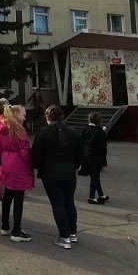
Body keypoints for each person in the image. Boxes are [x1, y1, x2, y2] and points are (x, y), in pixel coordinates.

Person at [31, 105, 83, 249]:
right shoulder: (74, 132)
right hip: (69, 172)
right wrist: (75, 165)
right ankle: (72, 233)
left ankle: (64, 237)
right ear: (62, 116)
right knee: (69, 202)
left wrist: (36, 166)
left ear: (47, 117)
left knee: (58, 204)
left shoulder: (43, 133)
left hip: (50, 173)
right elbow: (80, 154)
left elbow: (35, 155)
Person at [0, 105, 34, 242]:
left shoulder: (0, 128)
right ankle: (16, 231)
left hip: (6, 163)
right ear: (16, 114)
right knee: (18, 198)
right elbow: (24, 152)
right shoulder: (19, 130)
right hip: (19, 166)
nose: (24, 117)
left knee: (8, 196)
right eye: (23, 114)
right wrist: (30, 166)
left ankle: (5, 225)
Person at [81, 112, 109, 205]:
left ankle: (101, 195)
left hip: (86, 156)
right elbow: (103, 146)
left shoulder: (85, 129)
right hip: (96, 158)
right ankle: (91, 197)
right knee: (95, 178)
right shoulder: (100, 132)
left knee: (95, 177)